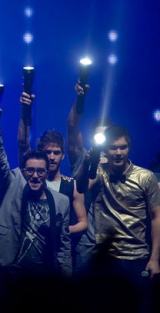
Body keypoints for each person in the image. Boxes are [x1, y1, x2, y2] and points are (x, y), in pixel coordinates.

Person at [0, 101, 72, 284]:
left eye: (40, 171)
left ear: (46, 173)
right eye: (30, 171)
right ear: (23, 171)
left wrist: (66, 282)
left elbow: (64, 246)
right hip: (9, 269)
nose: (35, 176)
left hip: (42, 275)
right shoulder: (14, 183)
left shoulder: (61, 201)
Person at [76, 125, 160, 312]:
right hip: (108, 258)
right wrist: (86, 162)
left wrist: (154, 258)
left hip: (137, 255)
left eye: (123, 147)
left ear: (129, 148)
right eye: (114, 147)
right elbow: (81, 187)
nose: (118, 152)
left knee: (138, 307)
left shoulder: (145, 177)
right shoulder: (100, 171)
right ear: (106, 150)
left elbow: (157, 218)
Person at [18, 91, 87, 271]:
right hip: (27, 253)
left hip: (58, 256)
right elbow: (22, 143)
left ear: (63, 155)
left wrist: (61, 231)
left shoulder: (70, 185)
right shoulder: (32, 179)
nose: (52, 157)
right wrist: (25, 110)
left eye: (56, 152)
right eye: (48, 152)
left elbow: (83, 222)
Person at [66, 80, 114, 276]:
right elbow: (71, 127)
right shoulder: (82, 158)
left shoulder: (121, 164)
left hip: (114, 243)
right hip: (86, 241)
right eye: (98, 136)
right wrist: (80, 99)